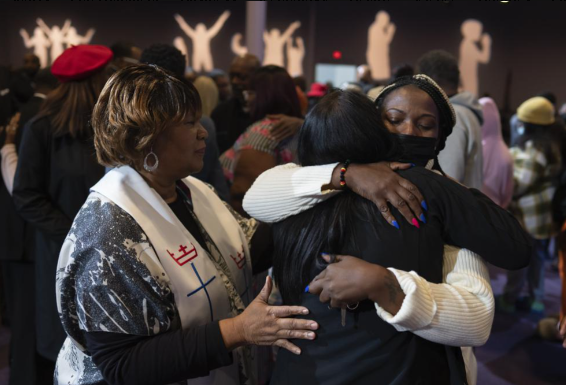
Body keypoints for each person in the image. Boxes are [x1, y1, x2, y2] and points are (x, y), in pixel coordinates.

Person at [244, 75, 532, 384]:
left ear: (440, 138)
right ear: (371, 123)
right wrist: (346, 174)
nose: (408, 132)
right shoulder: (306, 187)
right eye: (394, 120)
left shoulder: (433, 190)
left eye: (424, 126)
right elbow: (256, 199)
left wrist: (385, 283)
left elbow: (483, 305)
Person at [54, 64, 318, 385]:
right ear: (146, 138)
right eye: (190, 123)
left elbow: (244, 249)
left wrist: (324, 198)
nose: (203, 131)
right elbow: (123, 363)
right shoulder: (109, 230)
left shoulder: (190, 190)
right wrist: (237, 330)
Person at [12, 45, 112, 372]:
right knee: (68, 349)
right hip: (62, 256)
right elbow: (27, 195)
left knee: (112, 349)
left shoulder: (113, 129)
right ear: (94, 82)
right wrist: (74, 234)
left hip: (113, 256)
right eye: (107, 75)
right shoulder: (42, 129)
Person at [141, 43, 229, 201]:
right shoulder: (119, 203)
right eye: (190, 122)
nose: (203, 133)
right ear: (152, 134)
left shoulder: (190, 195)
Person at [500, 96, 562, 315]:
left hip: (528, 218)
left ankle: (509, 298)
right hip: (543, 217)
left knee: (519, 261)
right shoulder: (553, 145)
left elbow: (520, 184)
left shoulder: (535, 150)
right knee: (538, 262)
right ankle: (537, 299)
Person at [220, 65, 302, 215]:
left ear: (266, 95)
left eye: (251, 93)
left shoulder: (265, 132)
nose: (247, 99)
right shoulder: (300, 128)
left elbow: (245, 193)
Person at [416, 49, 484, 189]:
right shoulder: (463, 112)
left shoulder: (454, 117)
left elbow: (446, 179)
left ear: (429, 80)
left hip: (454, 208)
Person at [211, 54, 261, 154]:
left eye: (241, 77)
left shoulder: (269, 111)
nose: (234, 81)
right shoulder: (220, 112)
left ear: (257, 78)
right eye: (232, 76)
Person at [478, 97, 514, 208]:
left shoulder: (476, 149)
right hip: (496, 212)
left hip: (473, 210)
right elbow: (507, 195)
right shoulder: (506, 153)